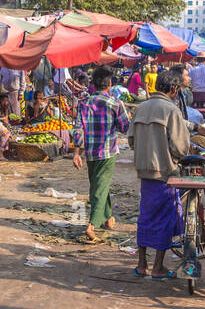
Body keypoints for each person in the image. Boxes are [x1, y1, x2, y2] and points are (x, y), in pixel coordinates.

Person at [130, 69, 190, 280]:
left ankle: (141, 264)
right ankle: (158, 267)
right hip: (165, 173)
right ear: (174, 89)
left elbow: (131, 140)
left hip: (144, 172)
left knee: (146, 217)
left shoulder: (141, 108)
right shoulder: (171, 110)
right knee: (164, 219)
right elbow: (181, 148)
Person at [72, 66, 131, 242]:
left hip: (90, 153)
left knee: (98, 185)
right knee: (100, 187)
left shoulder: (84, 103)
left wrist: (76, 153)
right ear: (110, 84)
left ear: (93, 83)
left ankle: (108, 218)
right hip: (107, 152)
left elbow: (78, 129)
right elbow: (125, 127)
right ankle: (92, 225)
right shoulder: (115, 103)